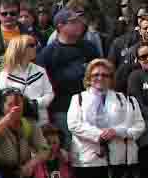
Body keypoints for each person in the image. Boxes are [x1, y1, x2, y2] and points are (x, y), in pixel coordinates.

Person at [66, 59, 145, 178]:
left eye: (105, 75)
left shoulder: (124, 100)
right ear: (88, 78)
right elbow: (74, 124)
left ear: (111, 78)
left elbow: (138, 126)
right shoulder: (78, 99)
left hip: (117, 157)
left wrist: (117, 131)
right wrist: (98, 135)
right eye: (96, 75)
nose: (100, 78)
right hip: (88, 158)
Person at [38, 9, 104, 139]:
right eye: (74, 22)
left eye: (80, 21)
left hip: (91, 107)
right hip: (63, 110)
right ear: (60, 26)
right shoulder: (48, 54)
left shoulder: (89, 48)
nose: (80, 24)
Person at [0, 36, 52, 127]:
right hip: (19, 123)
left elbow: (50, 94)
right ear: (20, 48)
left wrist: (36, 103)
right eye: (31, 45)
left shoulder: (40, 70)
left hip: (41, 121)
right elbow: (6, 100)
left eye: (35, 44)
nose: (36, 47)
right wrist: (25, 105)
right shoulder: (6, 74)